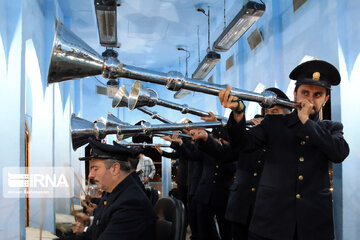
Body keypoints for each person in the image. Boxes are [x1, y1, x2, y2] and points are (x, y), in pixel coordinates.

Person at [218, 60, 350, 240]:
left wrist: (307, 123)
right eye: (305, 92)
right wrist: (238, 114)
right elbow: (242, 145)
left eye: (317, 94)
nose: (310, 100)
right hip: (270, 225)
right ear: (295, 95)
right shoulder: (274, 124)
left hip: (314, 228)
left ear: (325, 100)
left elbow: (339, 153)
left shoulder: (332, 128)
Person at [191, 88, 292, 240]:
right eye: (267, 113)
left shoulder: (291, 139)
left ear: (288, 115)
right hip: (241, 210)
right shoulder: (251, 138)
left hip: (270, 215)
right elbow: (226, 153)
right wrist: (207, 138)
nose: (270, 117)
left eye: (275, 112)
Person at [62, 138, 156, 240]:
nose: (90, 175)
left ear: (115, 169)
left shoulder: (131, 203)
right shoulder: (114, 194)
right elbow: (91, 234)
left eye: (95, 169)